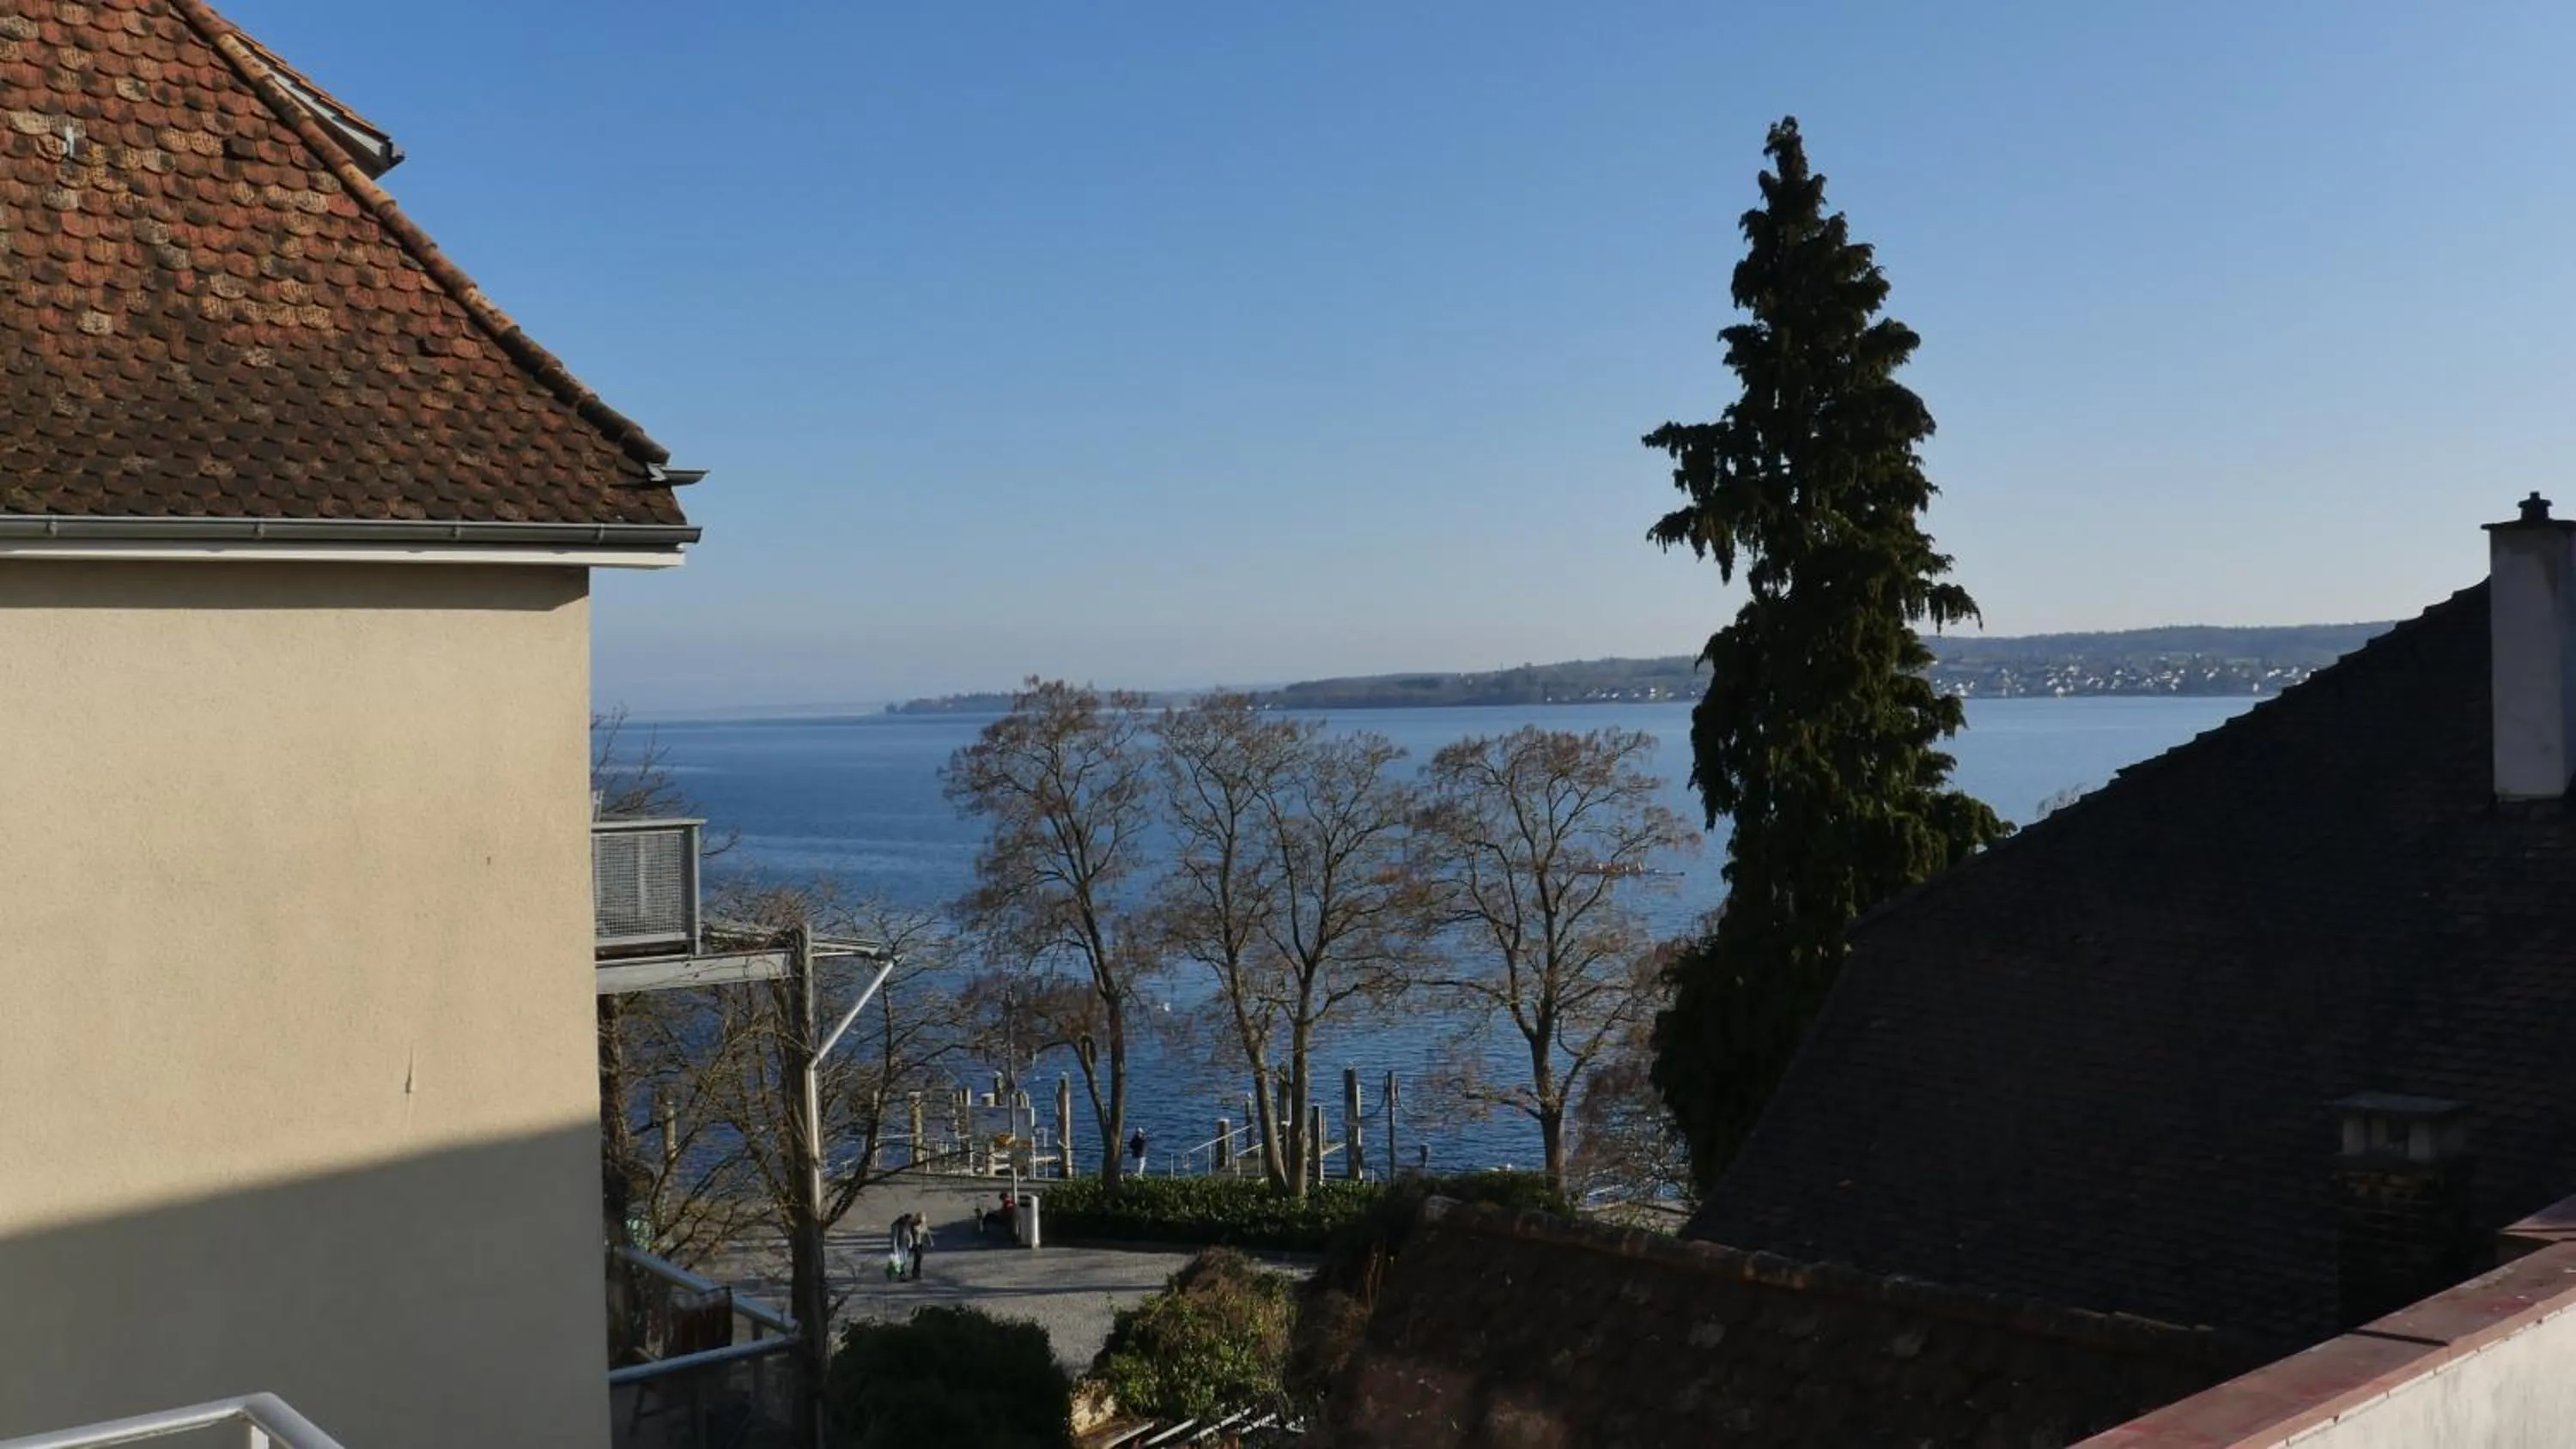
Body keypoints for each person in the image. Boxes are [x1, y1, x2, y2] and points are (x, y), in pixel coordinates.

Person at [908, 1216, 930, 1281]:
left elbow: (927, 1233)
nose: (920, 1223)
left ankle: (917, 1272)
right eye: (919, 1221)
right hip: (915, 1243)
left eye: (921, 1222)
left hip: (921, 1243)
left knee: (919, 1258)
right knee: (918, 1256)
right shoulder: (913, 1225)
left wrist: (930, 1241)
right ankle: (915, 1272)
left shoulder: (923, 1225)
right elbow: (909, 1234)